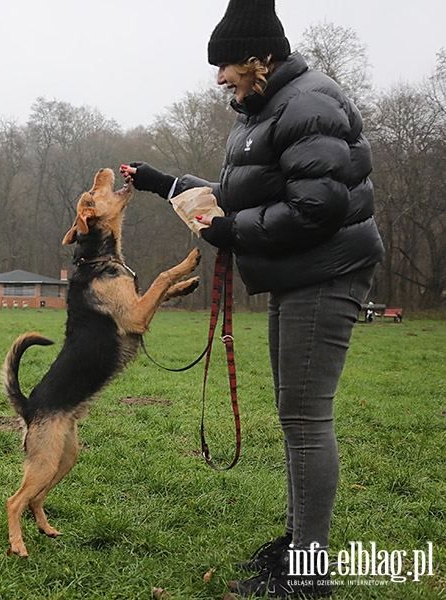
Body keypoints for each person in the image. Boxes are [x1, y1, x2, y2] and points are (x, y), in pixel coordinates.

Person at [120, 1, 384, 596]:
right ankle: (298, 547)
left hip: (327, 272)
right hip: (297, 274)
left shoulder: (309, 103)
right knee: (296, 415)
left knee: (305, 417)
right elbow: (245, 191)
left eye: (226, 66)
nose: (218, 78)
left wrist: (231, 232)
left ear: (259, 60)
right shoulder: (264, 108)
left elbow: (318, 206)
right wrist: (168, 185)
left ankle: (309, 574)